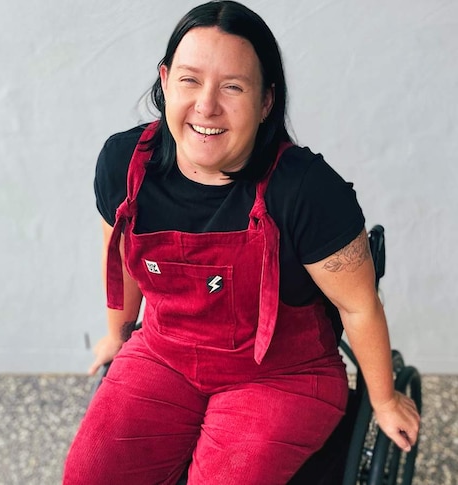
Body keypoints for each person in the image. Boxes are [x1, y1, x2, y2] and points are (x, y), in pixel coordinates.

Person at [62, 2, 420, 484]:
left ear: (266, 101)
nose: (207, 106)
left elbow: (359, 306)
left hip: (282, 375)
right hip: (165, 353)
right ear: (165, 81)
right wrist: (117, 333)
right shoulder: (124, 164)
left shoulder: (307, 190)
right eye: (190, 80)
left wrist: (383, 399)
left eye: (233, 87)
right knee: (90, 474)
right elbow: (122, 257)